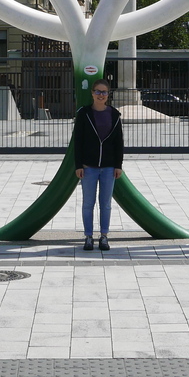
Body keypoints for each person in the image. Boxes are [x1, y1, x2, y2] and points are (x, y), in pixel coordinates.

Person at [72, 79, 123, 252]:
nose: (101, 95)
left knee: (106, 203)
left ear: (108, 95)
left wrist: (118, 165)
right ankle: (88, 236)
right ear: (92, 93)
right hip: (89, 167)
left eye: (104, 92)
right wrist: (78, 165)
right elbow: (77, 141)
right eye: (98, 92)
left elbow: (119, 143)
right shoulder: (84, 113)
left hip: (109, 167)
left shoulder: (114, 114)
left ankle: (104, 236)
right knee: (88, 203)